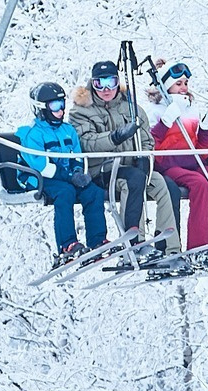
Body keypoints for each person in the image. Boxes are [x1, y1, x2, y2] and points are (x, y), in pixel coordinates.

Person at [71, 58, 178, 257]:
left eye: (110, 82)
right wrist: (114, 137)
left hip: (131, 166)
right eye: (99, 84)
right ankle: (135, 243)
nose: (105, 89)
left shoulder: (130, 107)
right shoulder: (81, 110)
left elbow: (147, 138)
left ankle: (168, 247)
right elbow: (86, 142)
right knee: (133, 180)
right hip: (101, 170)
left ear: (117, 82)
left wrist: (145, 158)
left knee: (163, 185)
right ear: (92, 84)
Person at [142, 59, 208, 258]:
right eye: (178, 84)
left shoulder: (190, 108)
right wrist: (165, 122)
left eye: (186, 83)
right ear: (166, 85)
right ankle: (199, 247)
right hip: (169, 164)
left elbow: (201, 151)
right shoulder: (153, 111)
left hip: (192, 162)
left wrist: (206, 126)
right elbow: (151, 146)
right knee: (199, 185)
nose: (183, 88)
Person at [15, 81, 108, 264]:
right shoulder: (32, 134)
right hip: (37, 178)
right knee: (65, 193)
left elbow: (77, 154)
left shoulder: (67, 130)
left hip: (65, 176)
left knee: (93, 192)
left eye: (62, 104)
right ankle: (67, 245)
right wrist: (69, 177)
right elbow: (41, 166)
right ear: (42, 109)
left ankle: (97, 241)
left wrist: (77, 171)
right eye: (55, 106)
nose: (61, 110)